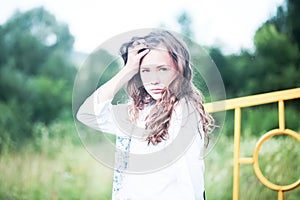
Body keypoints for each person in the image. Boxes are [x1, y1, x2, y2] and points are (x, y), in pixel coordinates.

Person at [76, 30, 213, 200]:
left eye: (163, 69)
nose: (154, 79)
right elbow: (88, 114)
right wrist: (127, 70)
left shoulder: (183, 112)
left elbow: (190, 183)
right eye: (146, 70)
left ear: (180, 69)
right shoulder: (138, 111)